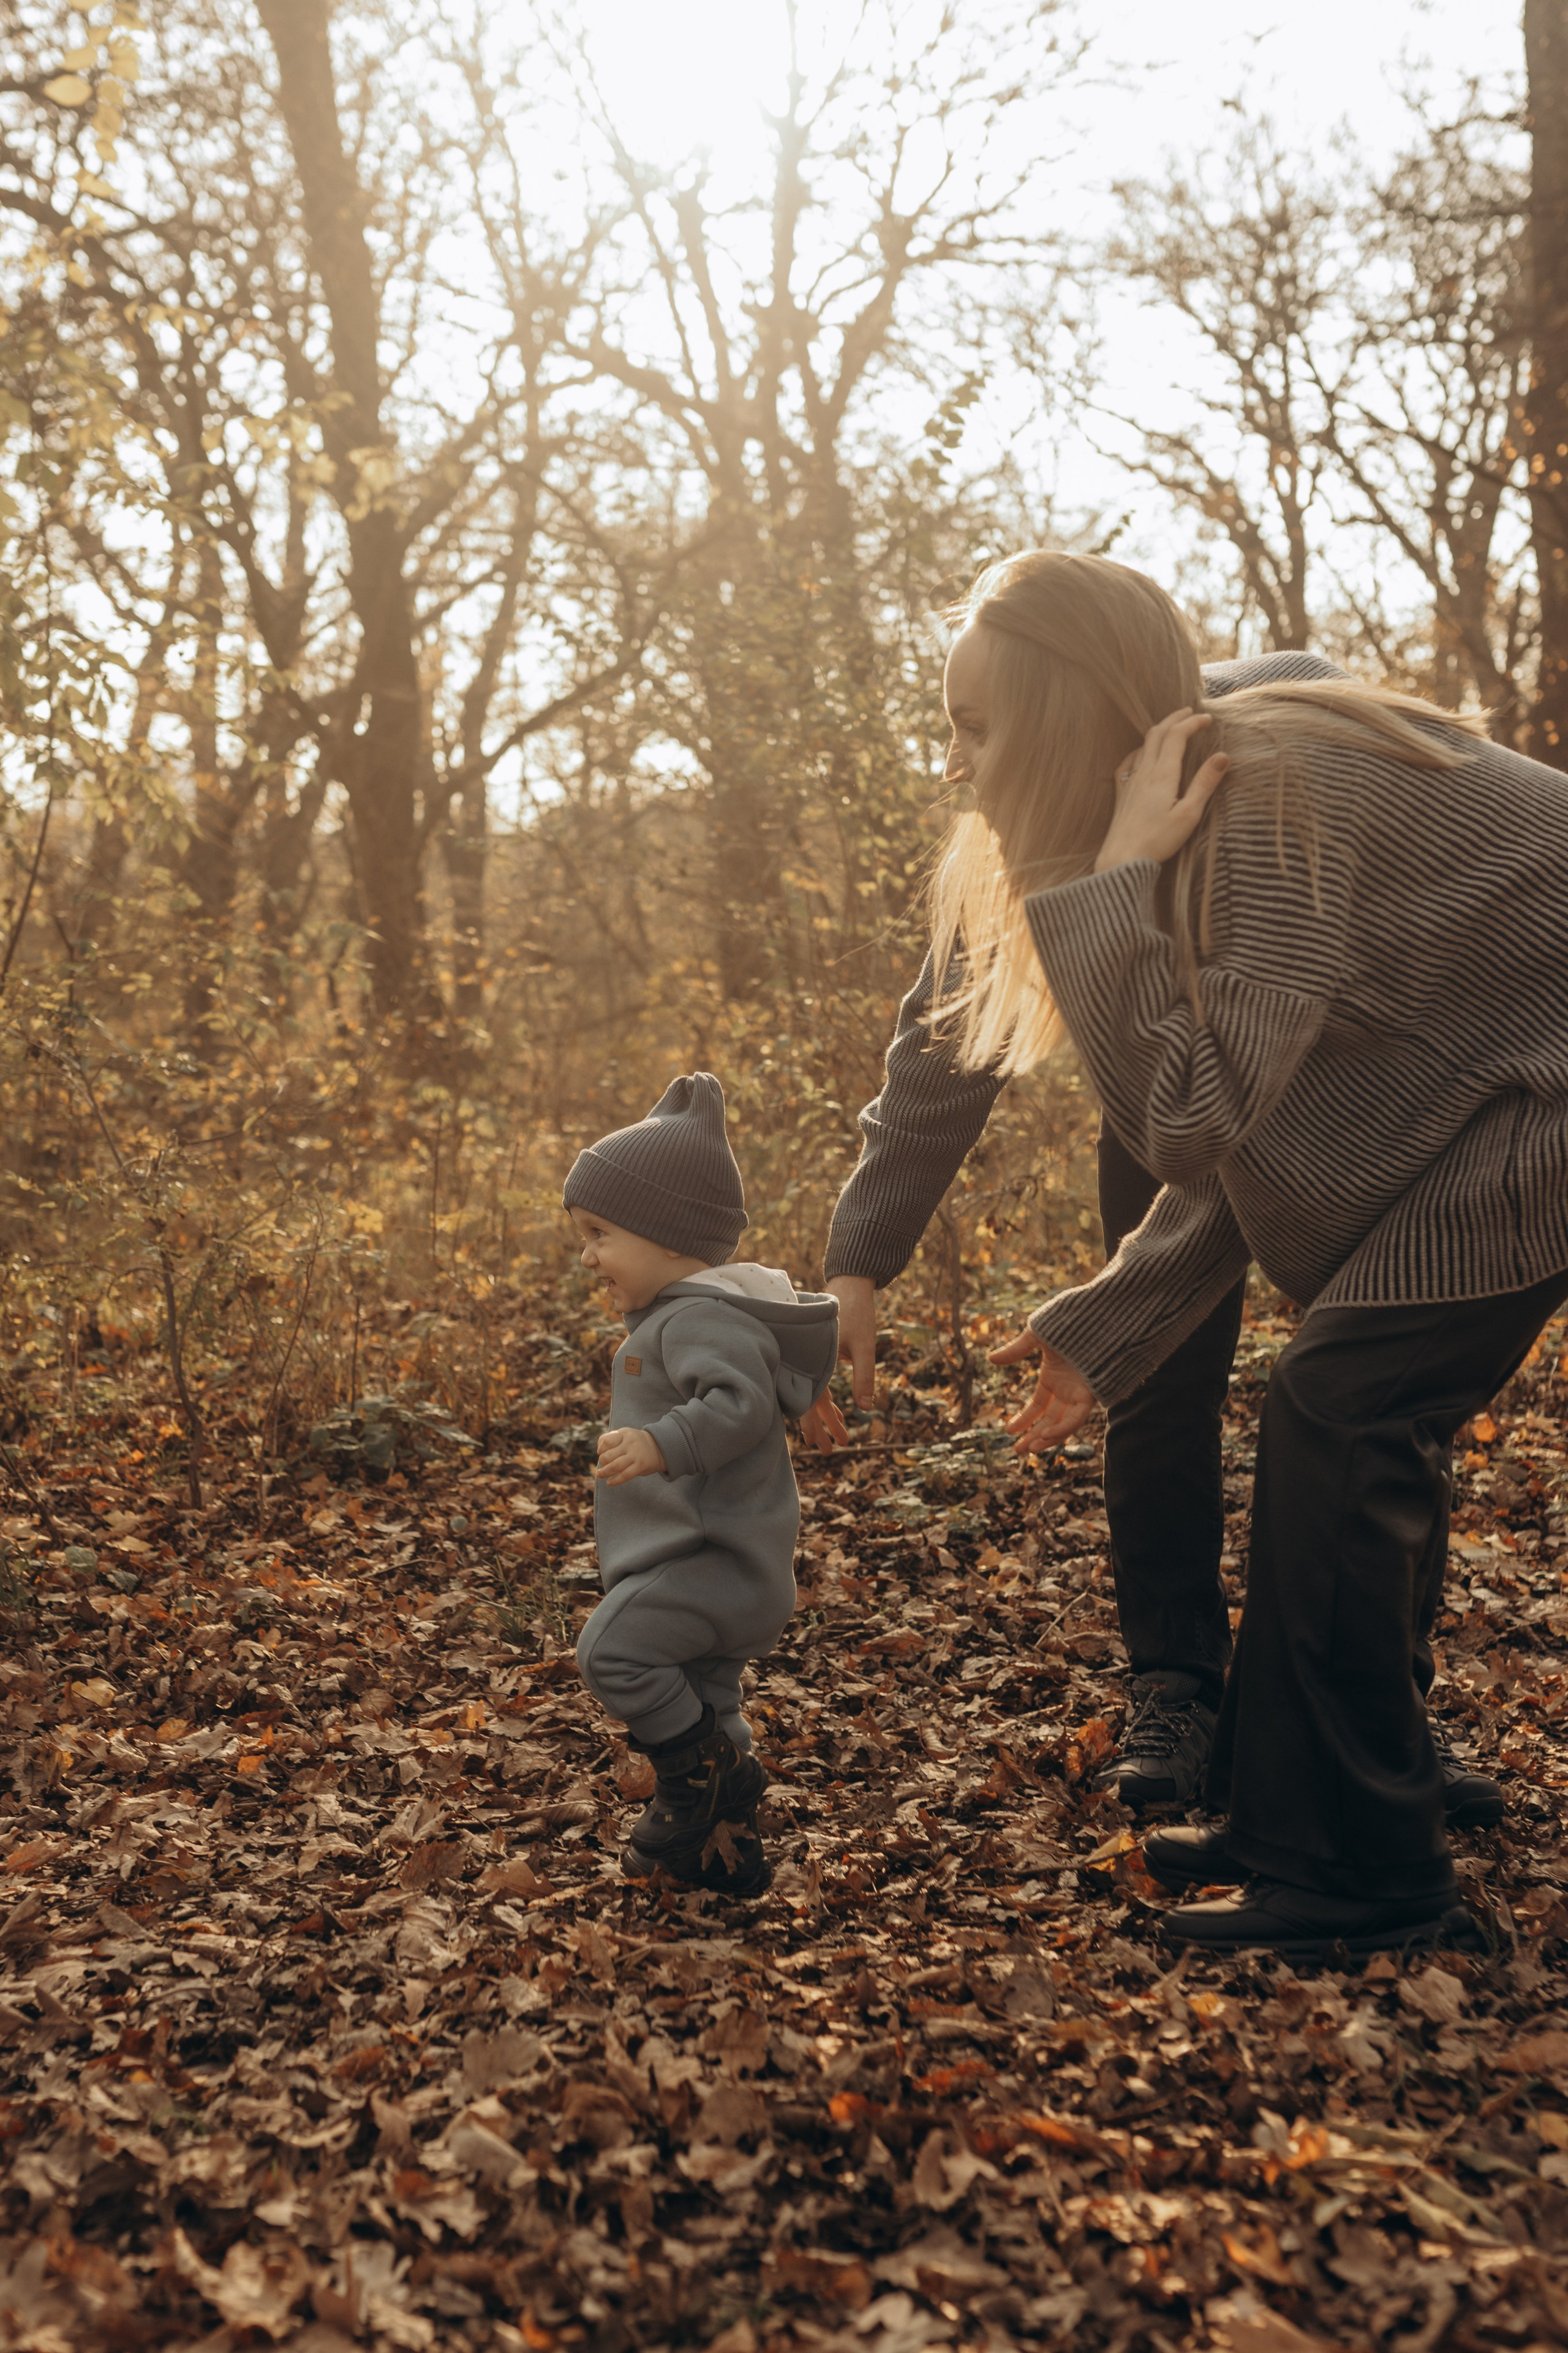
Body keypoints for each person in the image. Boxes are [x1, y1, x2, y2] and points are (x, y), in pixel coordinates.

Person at [805, 548, 1566, 1956]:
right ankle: (1305, 1812)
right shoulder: (1150, 800)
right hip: (1471, 1089)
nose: (955, 762)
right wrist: (1098, 1326)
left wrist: (1104, 885)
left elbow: (1186, 1122)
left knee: (1341, 1413)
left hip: (1538, 1096)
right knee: (1333, 1410)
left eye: (976, 729)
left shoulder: (1259, 801)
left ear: (1055, 717)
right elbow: (1230, 1146)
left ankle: (1360, 1874)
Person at [564, 1073, 839, 1897]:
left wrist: (660, 1442)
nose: (588, 1254)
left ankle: (701, 1780)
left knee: (611, 1652)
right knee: (704, 1696)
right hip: (708, 1561)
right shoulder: (693, 1314)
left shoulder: (697, 1319)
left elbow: (741, 1403)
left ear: (667, 1233)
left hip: (713, 1565)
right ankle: (721, 1854)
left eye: (600, 1232)